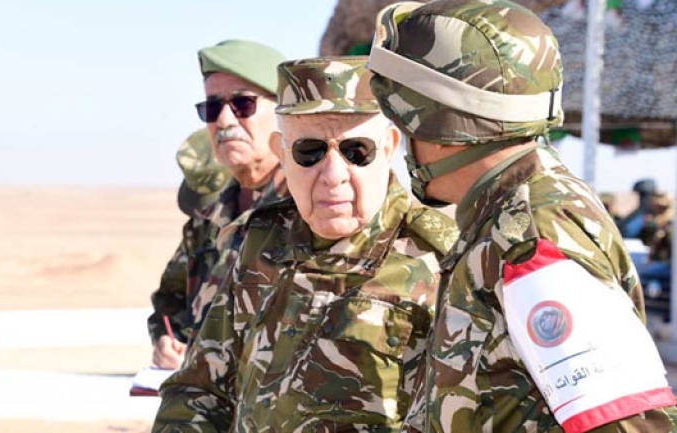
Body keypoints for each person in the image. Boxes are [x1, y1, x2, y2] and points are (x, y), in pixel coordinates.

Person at [367, 1, 677, 432]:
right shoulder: (509, 215)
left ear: (440, 125)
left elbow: (630, 425)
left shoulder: (530, 236)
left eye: (407, 124)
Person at [152, 56, 458, 432]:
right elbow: (200, 389)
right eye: (309, 152)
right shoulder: (260, 244)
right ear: (281, 153)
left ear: (389, 147)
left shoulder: (443, 261)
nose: (333, 175)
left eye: (356, 151)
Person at [147, 39, 288, 369]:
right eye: (212, 107)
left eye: (243, 104)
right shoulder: (209, 218)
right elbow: (170, 302)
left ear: (284, 112)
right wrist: (167, 340)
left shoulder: (312, 210)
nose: (223, 121)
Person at [147, 127, 231, 368]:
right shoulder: (199, 229)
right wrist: (166, 338)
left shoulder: (282, 226)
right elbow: (169, 299)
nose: (207, 216)